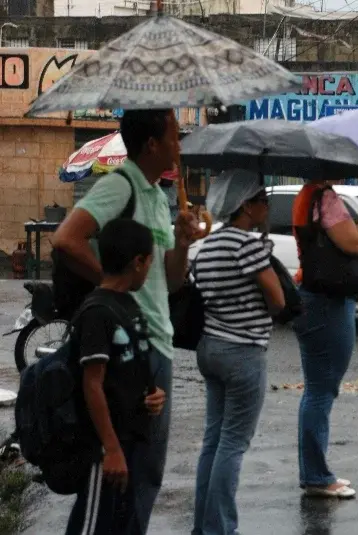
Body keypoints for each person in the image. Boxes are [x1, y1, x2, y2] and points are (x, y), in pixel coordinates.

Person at [51, 109, 198, 532]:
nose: (178, 146)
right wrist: (111, 288)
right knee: (121, 473)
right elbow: (66, 239)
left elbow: (169, 281)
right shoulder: (120, 185)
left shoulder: (154, 194)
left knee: (145, 471)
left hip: (156, 341)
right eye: (173, 137)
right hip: (130, 348)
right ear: (151, 144)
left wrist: (183, 242)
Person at [193, 173, 285, 534]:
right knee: (233, 443)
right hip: (243, 352)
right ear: (246, 205)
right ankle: (222, 529)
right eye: (262, 198)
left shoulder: (210, 244)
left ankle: (203, 526)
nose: (267, 205)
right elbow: (277, 300)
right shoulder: (246, 246)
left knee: (213, 440)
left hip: (210, 347)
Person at [66, 218, 166, 534]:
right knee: (92, 525)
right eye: (149, 262)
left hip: (131, 441)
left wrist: (154, 395)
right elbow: (91, 383)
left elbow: (129, 369)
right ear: (137, 262)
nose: (149, 270)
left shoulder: (129, 305)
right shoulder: (98, 312)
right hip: (106, 449)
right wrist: (110, 449)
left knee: (116, 523)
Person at [292, 180, 358, 498]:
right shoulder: (325, 198)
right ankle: (316, 475)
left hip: (315, 298)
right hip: (327, 301)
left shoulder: (307, 196)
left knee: (318, 389)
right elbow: (355, 243)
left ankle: (315, 472)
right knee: (321, 390)